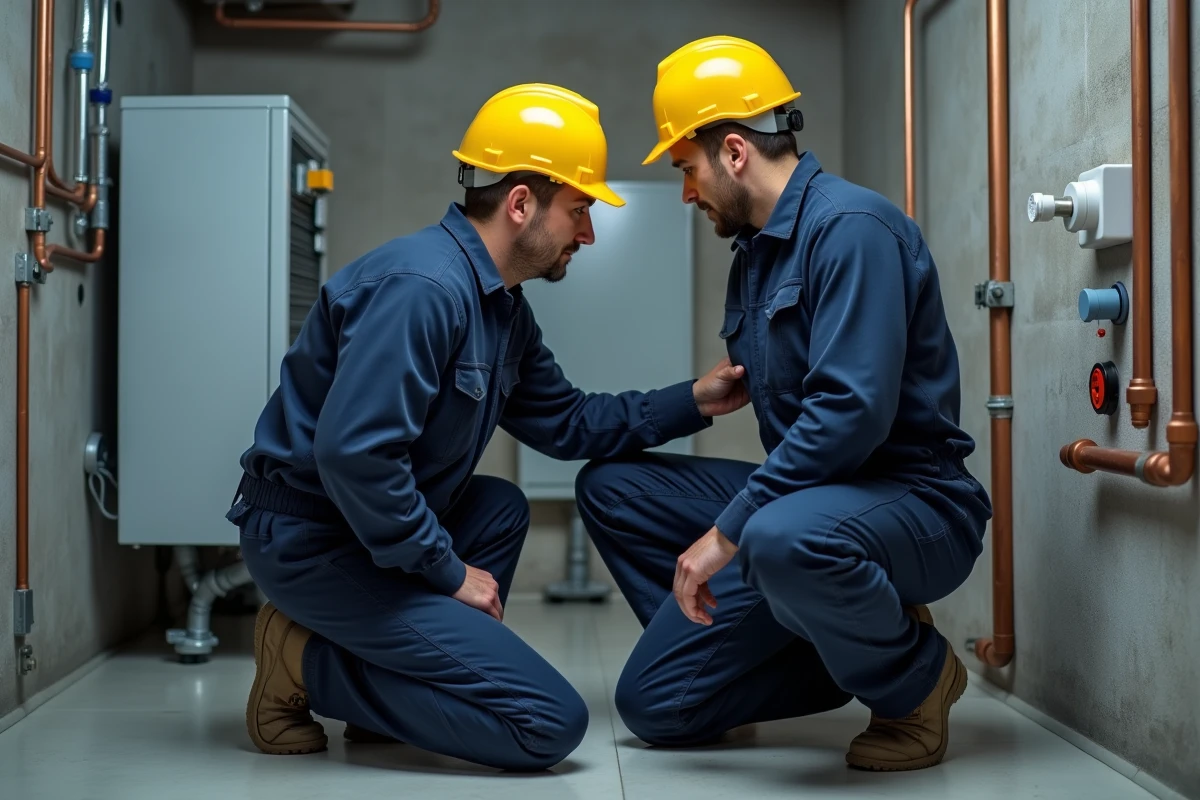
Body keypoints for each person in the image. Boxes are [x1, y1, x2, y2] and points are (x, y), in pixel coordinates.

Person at [226, 83, 747, 771]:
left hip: (366, 528)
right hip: (315, 539)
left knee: (498, 507)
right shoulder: (423, 290)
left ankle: (386, 686)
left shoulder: (500, 308)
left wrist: (695, 400)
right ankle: (302, 660)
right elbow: (356, 457)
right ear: (520, 203)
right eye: (579, 210)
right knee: (546, 724)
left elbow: (567, 421)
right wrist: (446, 573)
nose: (588, 234)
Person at [575, 36, 993, 771]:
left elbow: (850, 415)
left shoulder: (852, 230)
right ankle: (787, 646)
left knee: (774, 538)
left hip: (916, 502)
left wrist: (727, 532)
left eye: (687, 168)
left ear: (735, 152)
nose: (686, 192)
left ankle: (915, 680)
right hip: (811, 506)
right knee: (614, 492)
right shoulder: (757, 254)